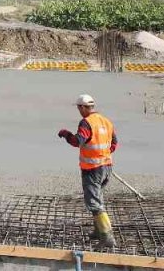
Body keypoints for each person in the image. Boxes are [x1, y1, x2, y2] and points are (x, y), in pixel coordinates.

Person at [57, 93, 118, 248]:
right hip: (107, 167)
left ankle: (107, 237)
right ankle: (98, 231)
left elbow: (77, 141)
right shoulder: (106, 121)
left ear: (84, 107)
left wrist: (66, 134)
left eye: (79, 108)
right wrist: (103, 156)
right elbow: (114, 144)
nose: (78, 111)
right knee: (98, 197)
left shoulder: (86, 123)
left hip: (92, 169)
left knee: (94, 202)